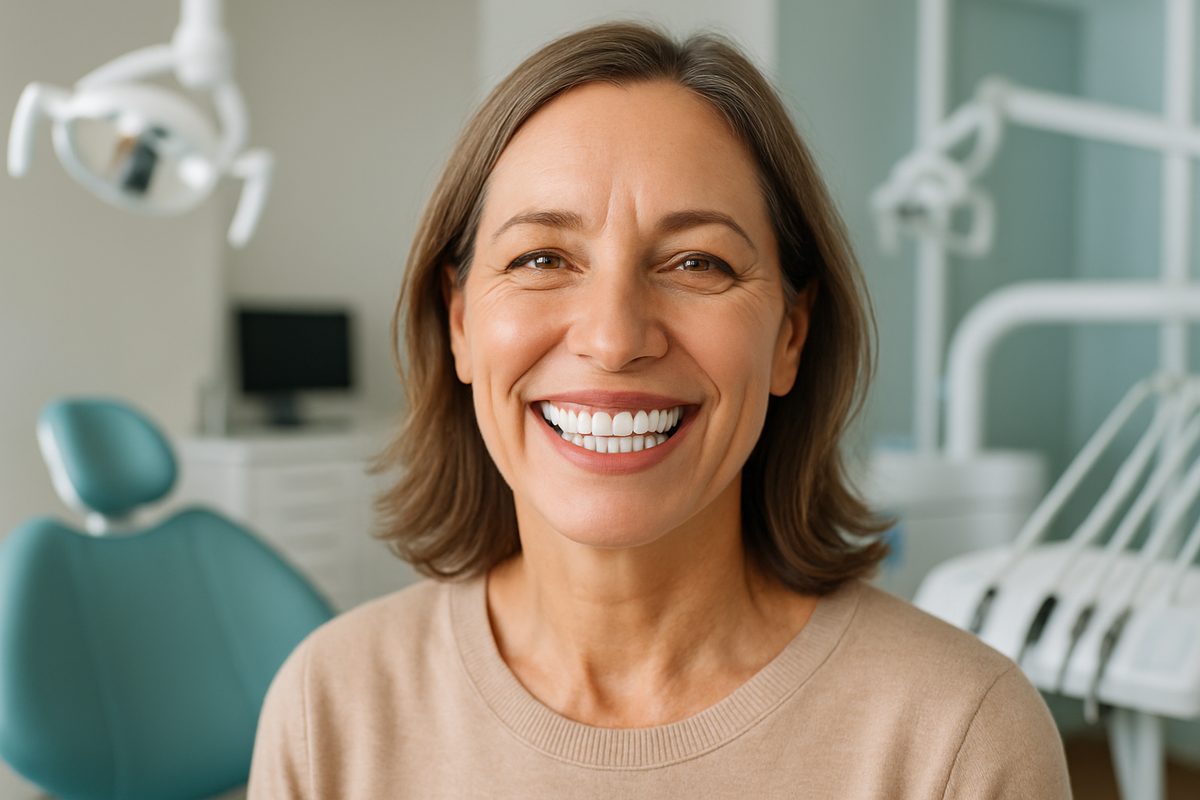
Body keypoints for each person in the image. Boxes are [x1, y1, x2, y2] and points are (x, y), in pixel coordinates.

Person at [247, 22, 1071, 799]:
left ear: (790, 333)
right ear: (461, 322)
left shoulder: (959, 740)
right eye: (540, 257)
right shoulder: (332, 711)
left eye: (697, 263)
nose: (613, 338)